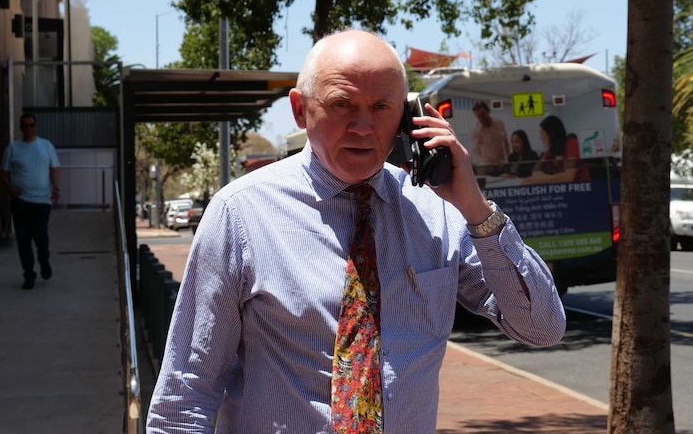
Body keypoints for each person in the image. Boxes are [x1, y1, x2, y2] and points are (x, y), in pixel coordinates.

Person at [146, 29, 566, 434]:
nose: (363, 127)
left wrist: (477, 210)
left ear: (407, 116)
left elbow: (541, 328)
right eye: (342, 104)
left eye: (382, 107)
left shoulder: (440, 212)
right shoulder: (239, 214)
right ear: (299, 109)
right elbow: (186, 391)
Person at [1, 113, 61, 289]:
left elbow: (54, 169)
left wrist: (56, 188)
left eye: (31, 125)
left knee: (41, 237)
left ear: (36, 126)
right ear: (21, 128)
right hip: (21, 201)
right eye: (25, 126)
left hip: (42, 201)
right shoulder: (13, 149)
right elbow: (4, 174)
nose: (28, 129)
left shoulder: (46, 146)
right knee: (23, 239)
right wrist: (11, 190)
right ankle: (29, 274)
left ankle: (44, 260)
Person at [523, 115, 590, 184]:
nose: (541, 138)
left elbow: (568, 177)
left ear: (552, 134)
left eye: (542, 133)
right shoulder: (550, 150)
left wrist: (542, 178)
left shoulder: (571, 144)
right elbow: (535, 171)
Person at [470, 100, 510, 174]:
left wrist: (508, 159)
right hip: (486, 167)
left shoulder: (499, 123)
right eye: (479, 116)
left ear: (488, 112)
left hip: (501, 165)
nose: (482, 118)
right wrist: (482, 164)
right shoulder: (476, 131)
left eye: (483, 114)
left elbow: (506, 143)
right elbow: (475, 153)